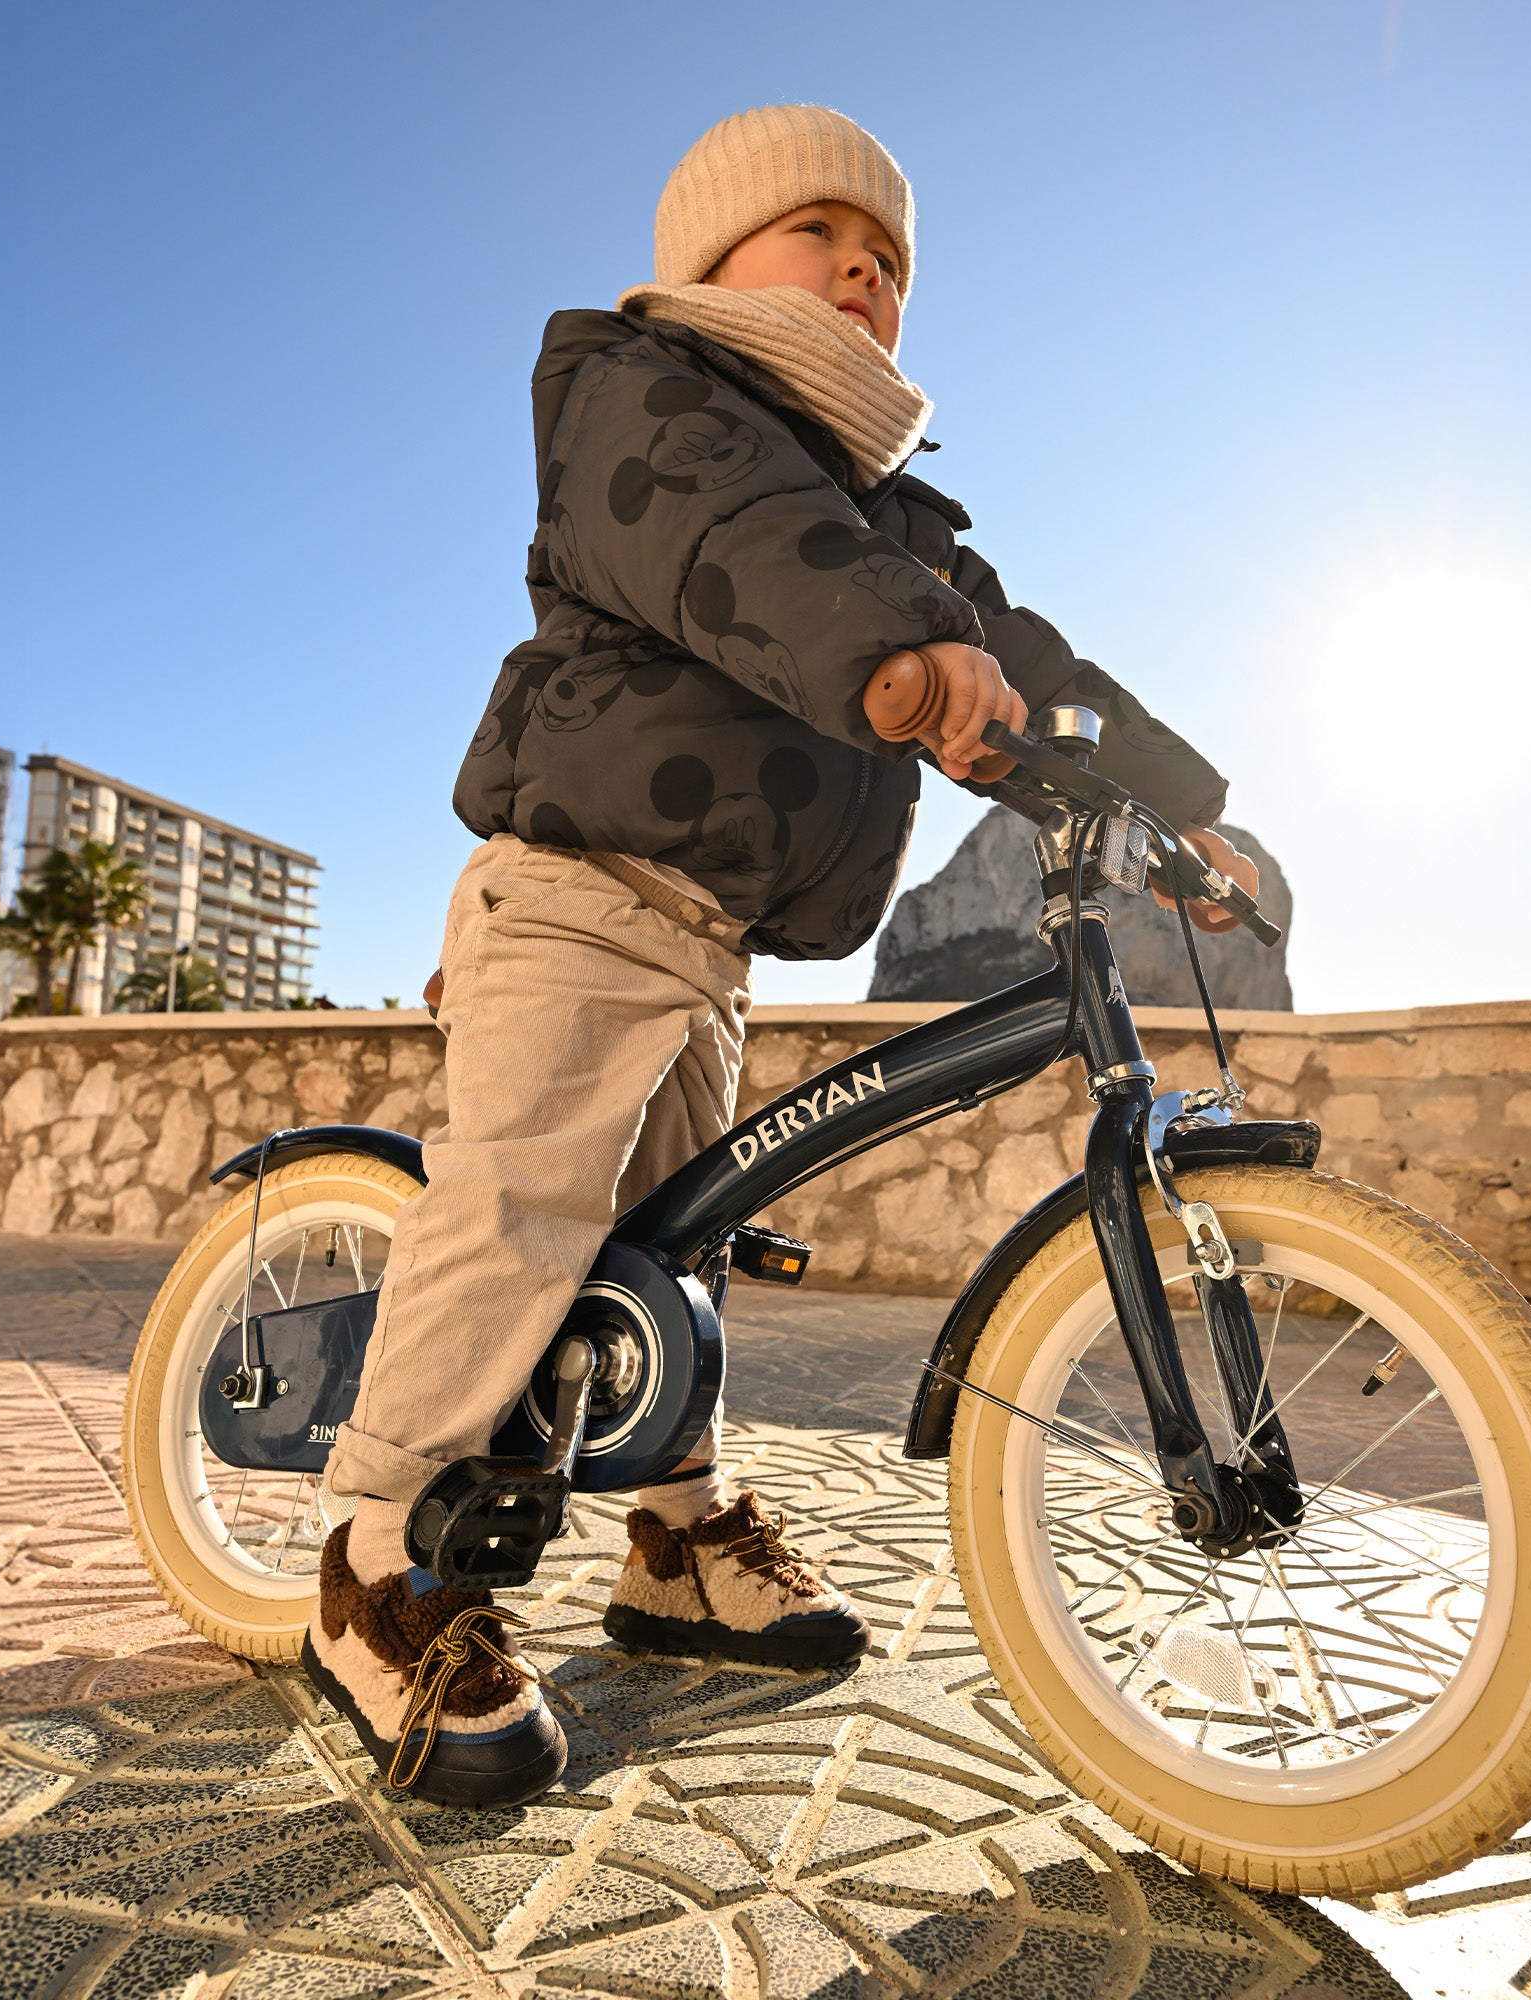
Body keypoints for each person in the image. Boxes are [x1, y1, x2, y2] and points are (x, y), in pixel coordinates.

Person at [305, 104, 1256, 1807]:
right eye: (828, 239)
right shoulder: (637, 390)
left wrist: (1189, 807)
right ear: (714, 257)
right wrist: (897, 646)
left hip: (716, 934)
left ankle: (671, 1546)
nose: (866, 279)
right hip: (583, 891)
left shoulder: (901, 524)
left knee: (680, 1258)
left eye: (891, 265)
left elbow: (1024, 651)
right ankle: (375, 1556)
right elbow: (734, 539)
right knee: (522, 1200)